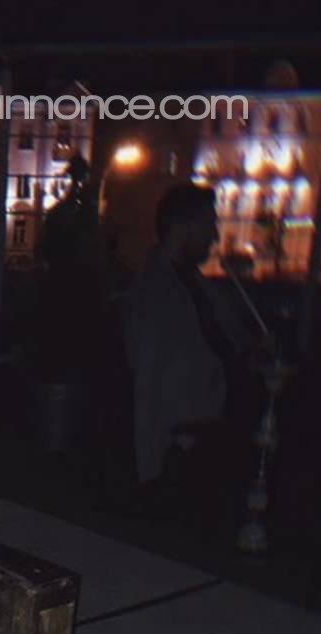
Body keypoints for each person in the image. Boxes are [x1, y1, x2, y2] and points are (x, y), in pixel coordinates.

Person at [121, 183, 266, 515]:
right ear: (182, 227)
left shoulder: (192, 282)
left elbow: (228, 339)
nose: (215, 237)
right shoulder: (157, 292)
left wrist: (252, 349)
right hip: (193, 431)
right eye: (208, 224)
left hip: (210, 417)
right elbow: (153, 379)